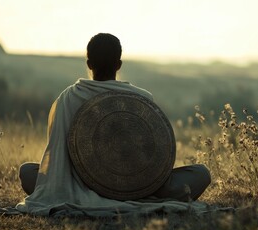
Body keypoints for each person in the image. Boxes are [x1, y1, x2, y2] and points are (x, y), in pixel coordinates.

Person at [18, 33, 211, 208]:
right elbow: (156, 158)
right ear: (119, 64)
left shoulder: (67, 98)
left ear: (89, 64)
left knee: (27, 172)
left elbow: (55, 156)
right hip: (139, 191)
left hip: (76, 187)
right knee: (201, 174)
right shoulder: (142, 98)